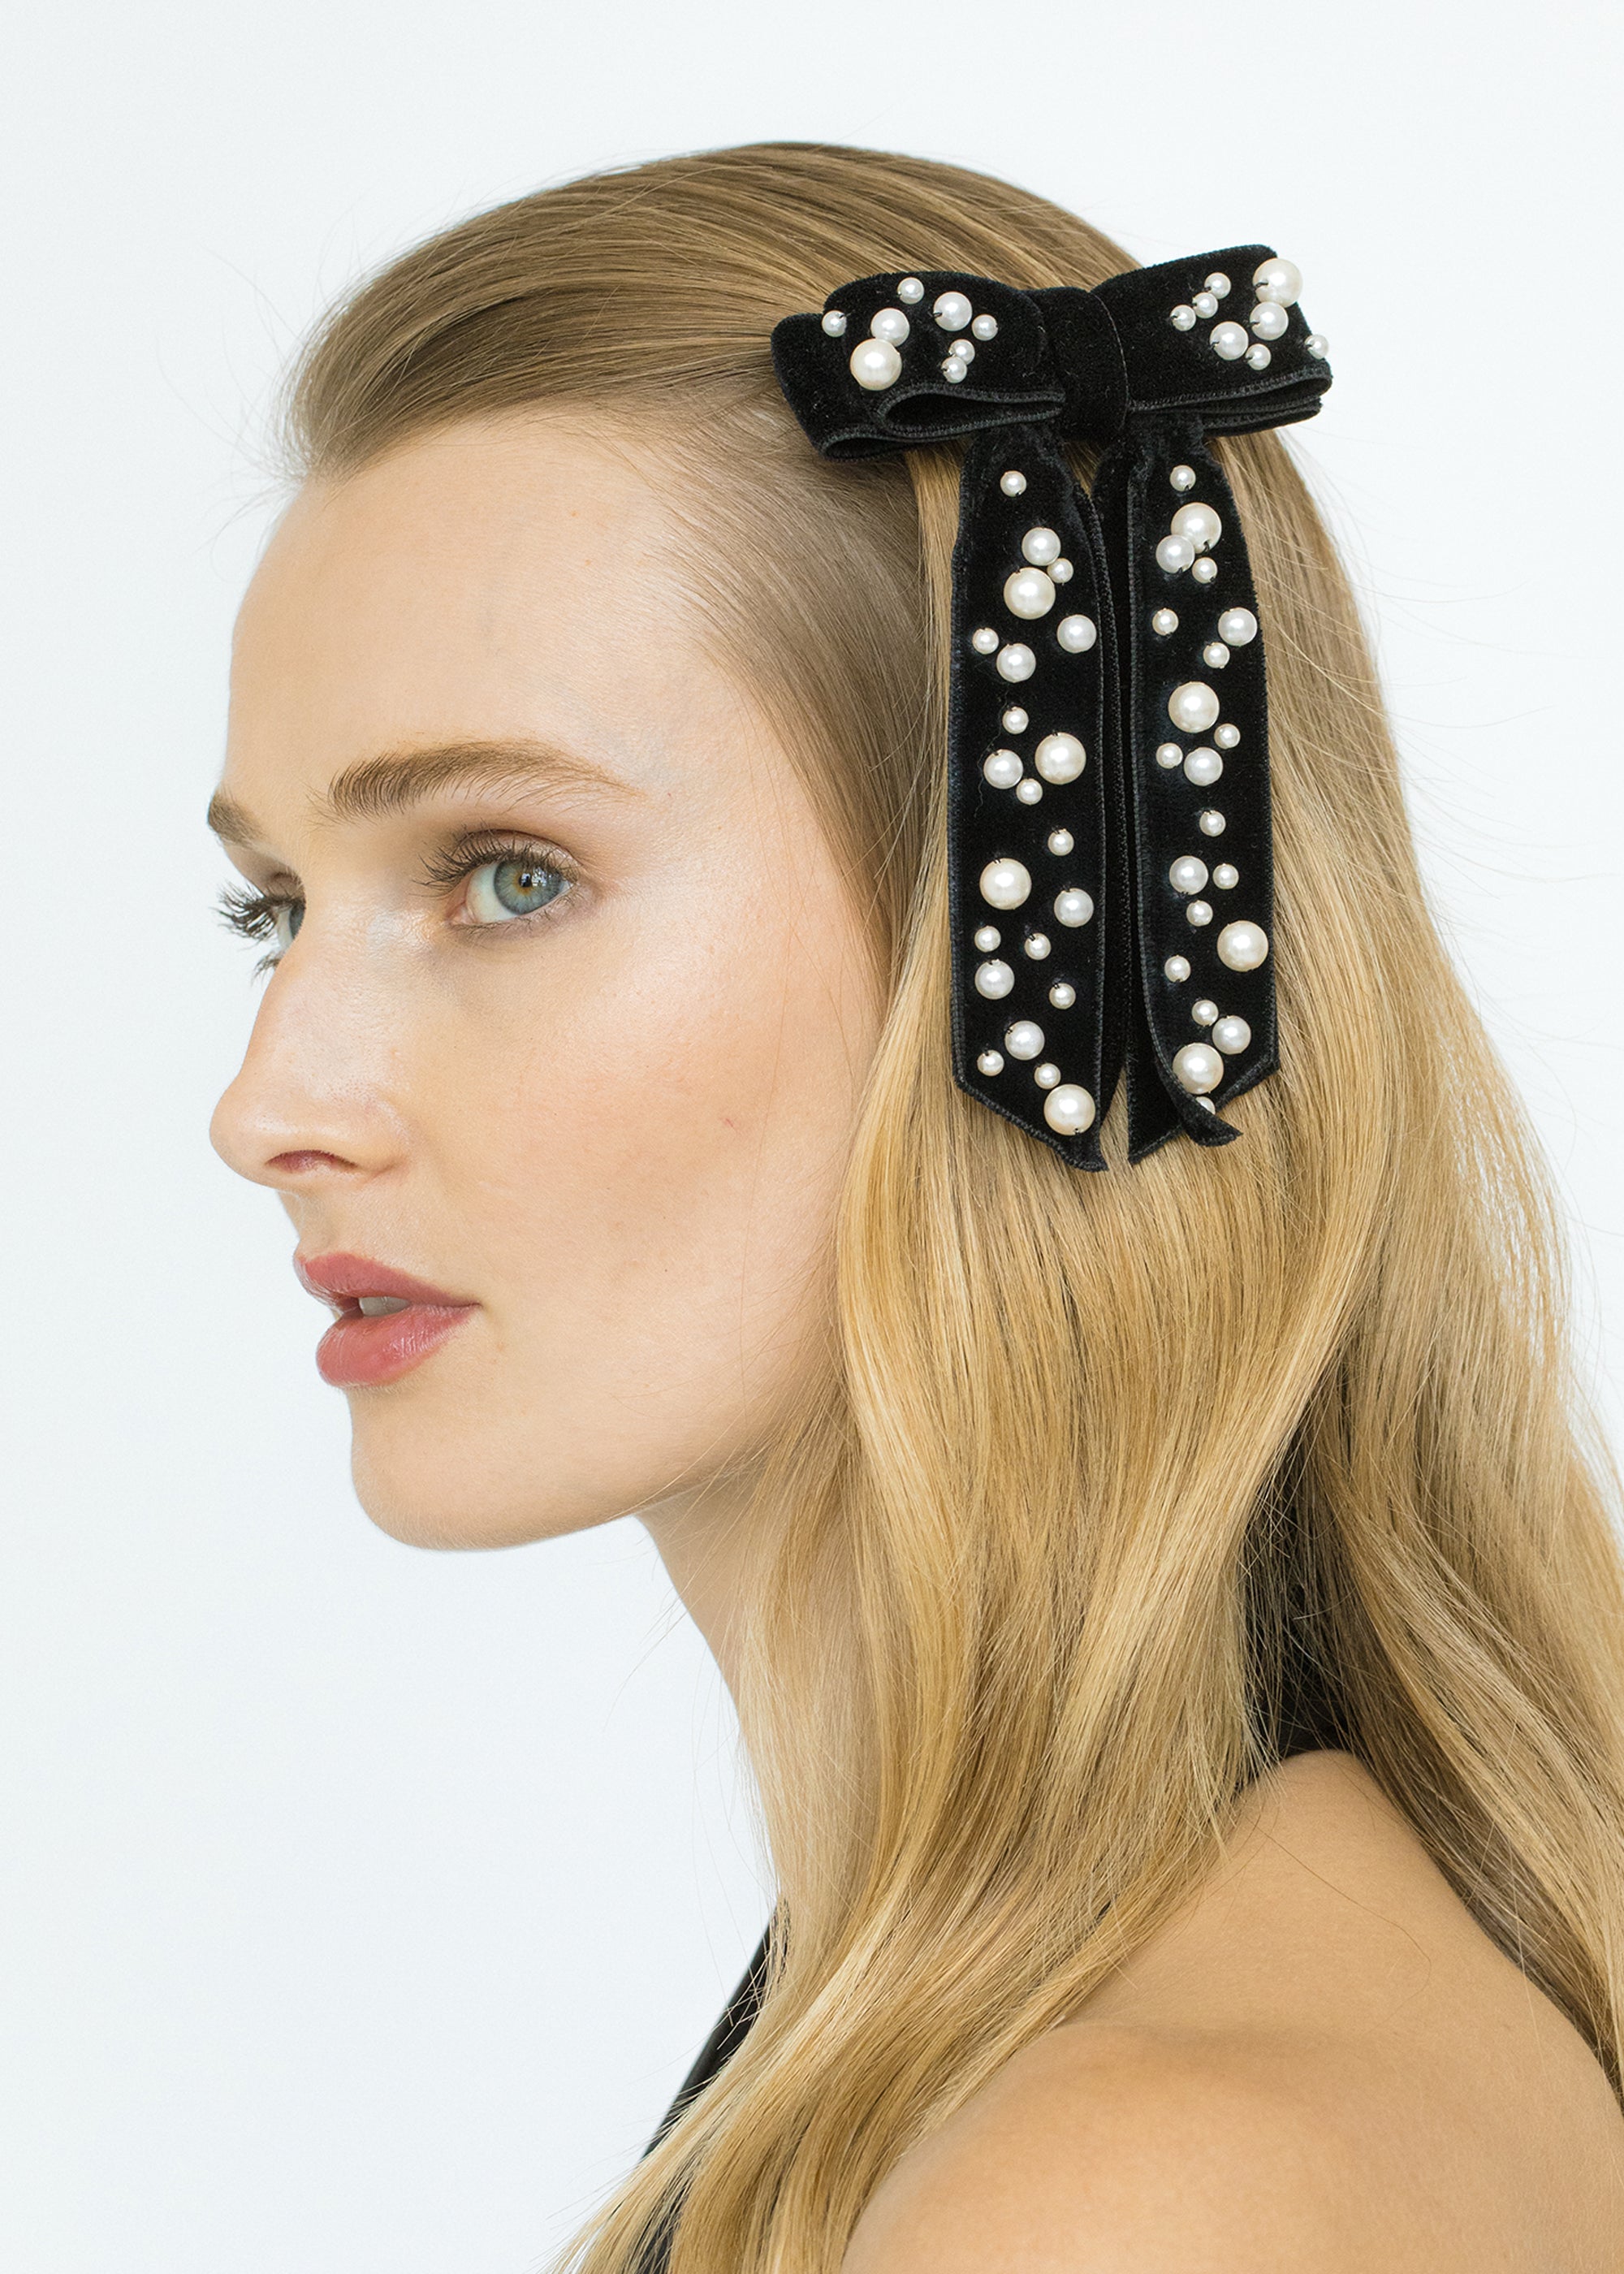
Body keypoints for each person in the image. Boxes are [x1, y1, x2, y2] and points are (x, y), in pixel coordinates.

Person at [207, 141, 1624, 2270]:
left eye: (508, 875)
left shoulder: (1143, 2187)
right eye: (275, 908)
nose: (270, 1106)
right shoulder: (1088, 2010)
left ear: (1060, 923)